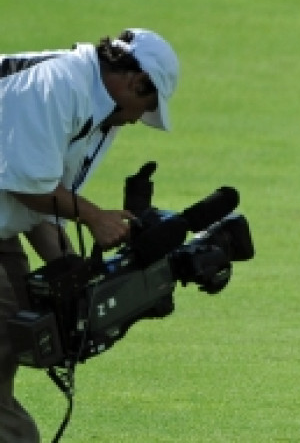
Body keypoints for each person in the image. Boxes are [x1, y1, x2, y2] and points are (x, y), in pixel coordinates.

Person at [0, 29, 178, 442]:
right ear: (137, 82)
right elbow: (28, 187)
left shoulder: (99, 110)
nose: (137, 119)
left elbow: (39, 203)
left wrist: (72, 272)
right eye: (147, 106)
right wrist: (95, 218)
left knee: (27, 323)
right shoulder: (58, 86)